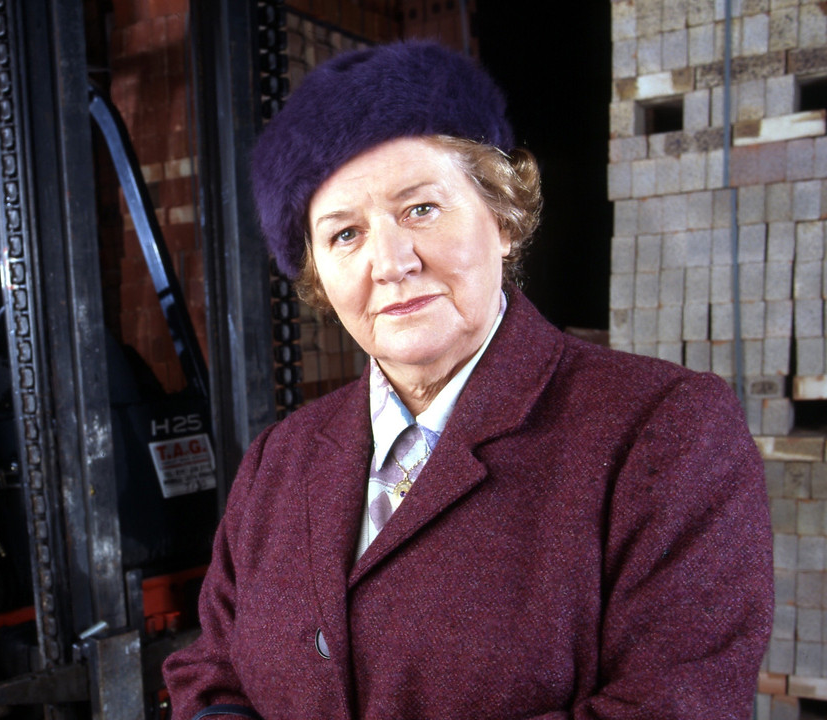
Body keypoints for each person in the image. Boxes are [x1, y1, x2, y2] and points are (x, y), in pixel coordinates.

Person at [163, 41, 773, 719]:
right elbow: (213, 670)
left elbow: (674, 705)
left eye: (421, 209)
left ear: (503, 218)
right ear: (318, 277)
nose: (390, 262)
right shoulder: (279, 460)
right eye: (345, 235)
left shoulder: (665, 431)